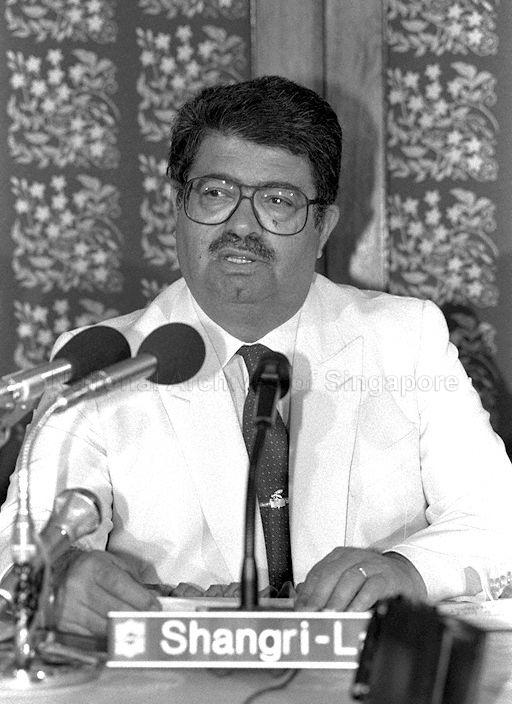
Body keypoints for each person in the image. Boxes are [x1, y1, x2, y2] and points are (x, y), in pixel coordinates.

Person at [1, 76, 511, 637]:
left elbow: (497, 522)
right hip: (170, 692)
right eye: (215, 193)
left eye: (278, 201)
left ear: (324, 229)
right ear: (178, 207)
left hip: (362, 687)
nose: (242, 226)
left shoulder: (406, 339)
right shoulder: (104, 362)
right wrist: (60, 576)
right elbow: (22, 544)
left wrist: (406, 571)